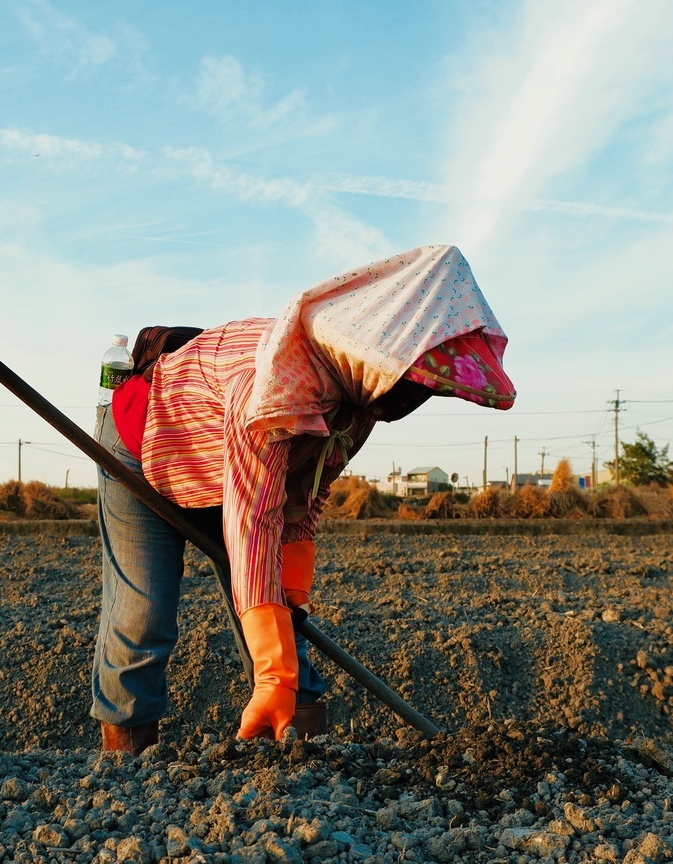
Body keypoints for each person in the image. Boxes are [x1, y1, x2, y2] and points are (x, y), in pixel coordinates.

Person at [91, 245, 516, 753]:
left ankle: (303, 751)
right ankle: (126, 759)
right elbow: (252, 522)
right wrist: (274, 673)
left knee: (277, 607)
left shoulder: (359, 398)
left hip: (226, 469)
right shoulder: (271, 383)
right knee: (145, 607)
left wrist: (291, 587)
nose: (414, 398)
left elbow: (306, 495)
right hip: (141, 450)